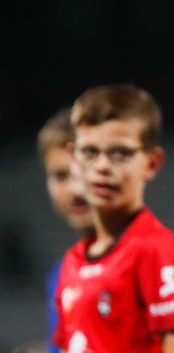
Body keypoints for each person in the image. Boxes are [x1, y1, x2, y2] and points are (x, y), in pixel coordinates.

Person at [53, 85, 174, 352]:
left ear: (152, 163)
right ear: (73, 160)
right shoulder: (71, 263)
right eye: (90, 152)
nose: (102, 166)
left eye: (120, 153)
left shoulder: (154, 248)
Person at [37, 109, 94, 353]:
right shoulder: (61, 273)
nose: (75, 190)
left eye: (82, 171)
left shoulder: (146, 257)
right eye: (60, 176)